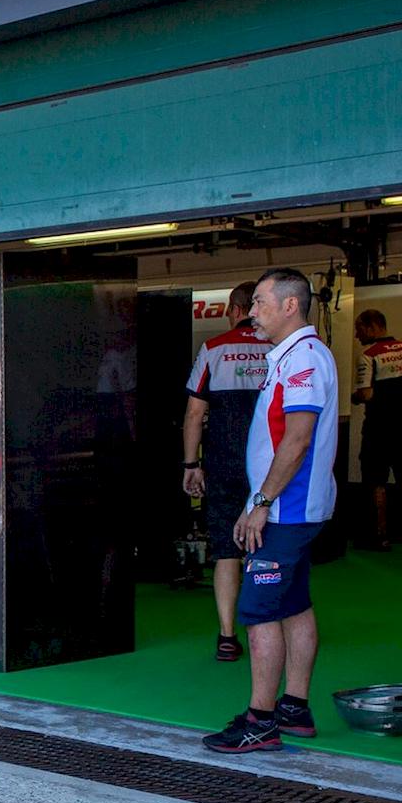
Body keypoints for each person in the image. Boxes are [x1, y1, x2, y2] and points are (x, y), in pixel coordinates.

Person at [203, 268, 338, 754]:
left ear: (290, 305)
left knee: (259, 611)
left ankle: (260, 721)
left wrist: (260, 503)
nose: (251, 312)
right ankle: (294, 708)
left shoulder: (303, 357)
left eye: (260, 302)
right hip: (291, 508)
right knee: (294, 605)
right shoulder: (291, 356)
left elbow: (297, 439)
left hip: (286, 510)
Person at [183, 282, 268, 661]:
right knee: (270, 550)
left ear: (235, 309)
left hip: (224, 464)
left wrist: (191, 464)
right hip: (273, 467)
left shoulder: (214, 349)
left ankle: (227, 636)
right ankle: (267, 629)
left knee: (226, 551)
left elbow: (194, 413)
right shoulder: (280, 347)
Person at [350, 308, 402, 549]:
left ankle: (379, 536)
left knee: (375, 481)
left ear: (371, 327)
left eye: (359, 329)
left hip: (379, 428)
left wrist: (354, 397)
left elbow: (366, 394)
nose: (357, 335)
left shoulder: (369, 356)